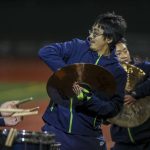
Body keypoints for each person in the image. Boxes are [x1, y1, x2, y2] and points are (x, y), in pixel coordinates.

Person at [38, 12, 127, 150]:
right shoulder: (77, 46)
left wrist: (88, 100)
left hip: (87, 136)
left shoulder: (117, 71)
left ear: (109, 39)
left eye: (96, 33)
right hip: (55, 129)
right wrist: (68, 75)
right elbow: (45, 52)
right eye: (91, 30)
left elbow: (113, 109)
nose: (90, 36)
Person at [110, 41, 150, 150]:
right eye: (118, 53)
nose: (124, 55)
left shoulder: (143, 68)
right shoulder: (109, 78)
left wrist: (136, 94)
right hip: (122, 142)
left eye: (125, 51)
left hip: (146, 141)